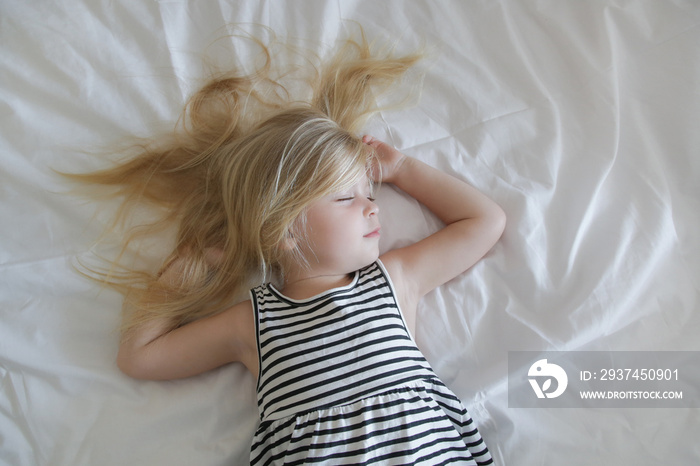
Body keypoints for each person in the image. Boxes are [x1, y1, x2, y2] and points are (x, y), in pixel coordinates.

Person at [75, 28, 504, 465]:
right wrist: (191, 261)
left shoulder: (393, 280)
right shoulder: (253, 323)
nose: (373, 208)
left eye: (371, 193)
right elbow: (139, 358)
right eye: (346, 198)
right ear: (284, 229)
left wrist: (404, 170)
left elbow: (484, 222)